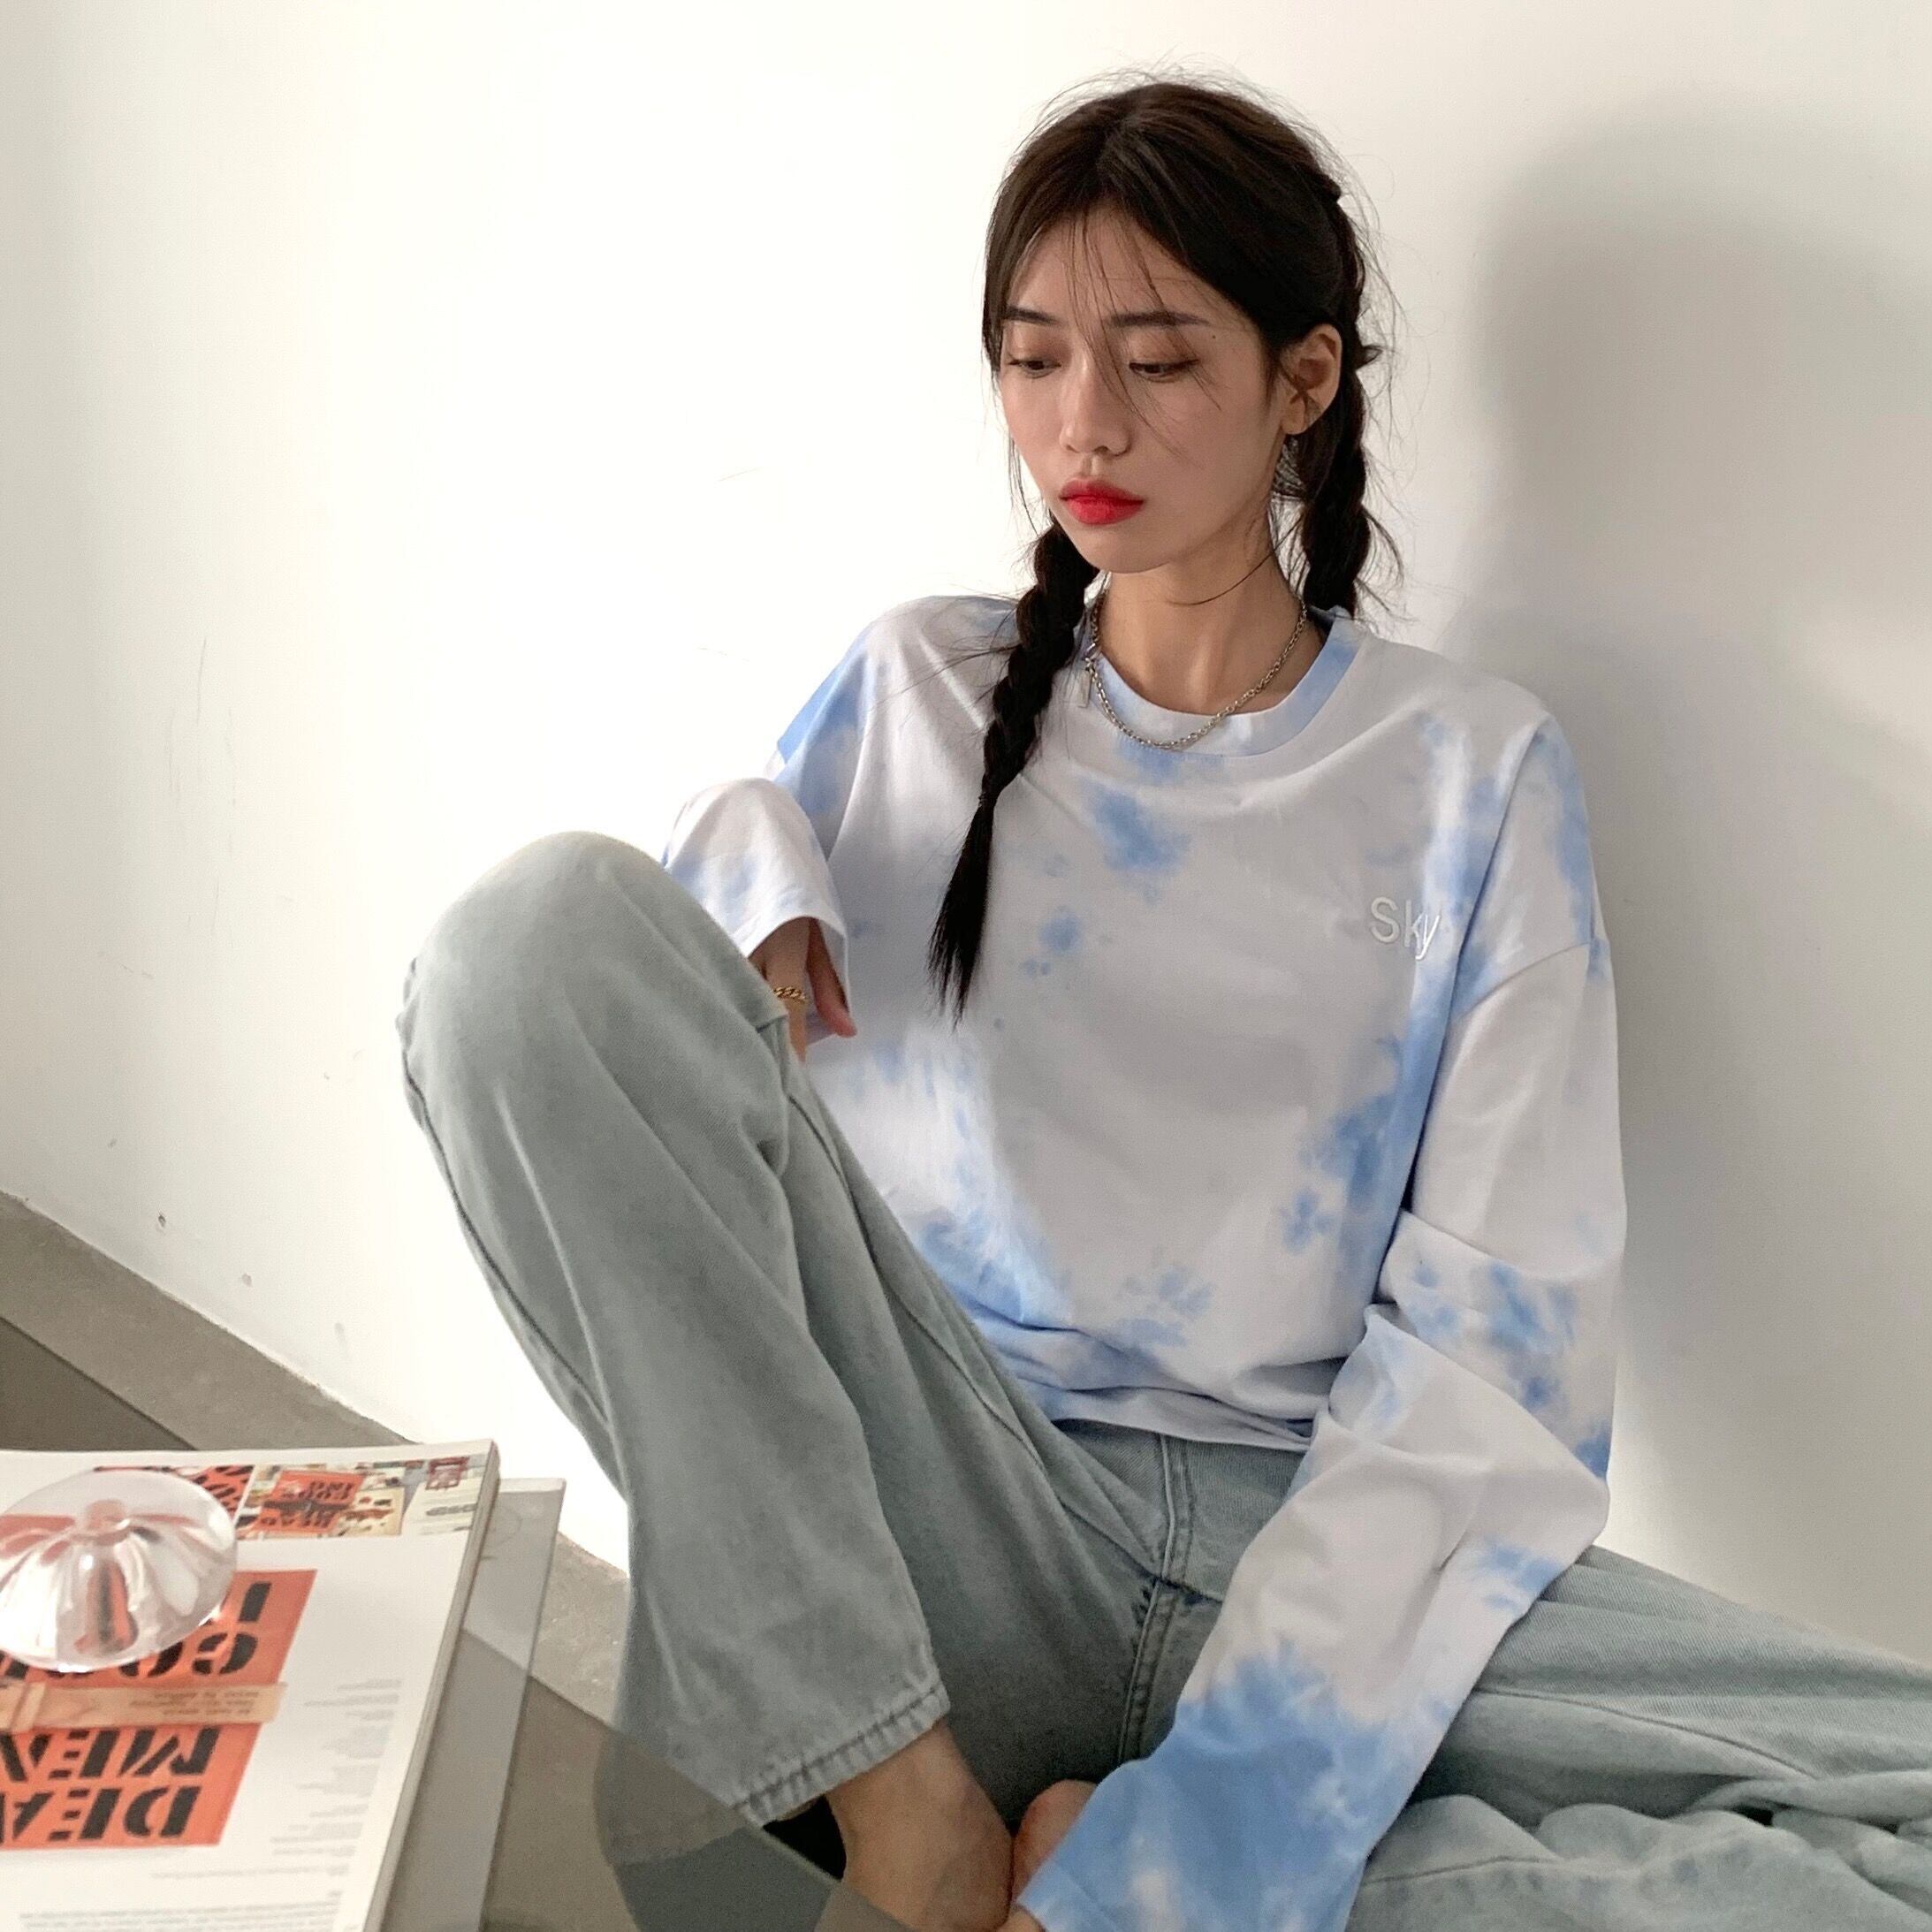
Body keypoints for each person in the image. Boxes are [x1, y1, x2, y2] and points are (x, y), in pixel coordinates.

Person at [393, 68, 1932, 1932]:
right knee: (518, 938)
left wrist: (1186, 1857)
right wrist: (735, 863)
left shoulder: (1473, 770)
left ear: (1303, 379)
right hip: (950, 1517)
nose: (1082, 424)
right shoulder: (917, 692)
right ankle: (910, 1810)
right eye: (1033, 358)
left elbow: (1485, 1372)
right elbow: (604, 1030)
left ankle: (1131, 1886)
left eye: (1155, 359)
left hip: (1310, 1553)